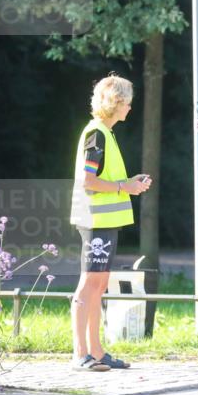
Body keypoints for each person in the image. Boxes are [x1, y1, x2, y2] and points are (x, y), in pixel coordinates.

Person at [68, 75, 152, 371]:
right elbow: (88, 181)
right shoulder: (97, 134)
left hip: (104, 221)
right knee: (89, 283)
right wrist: (123, 187)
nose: (130, 108)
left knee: (99, 284)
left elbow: (102, 178)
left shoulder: (105, 133)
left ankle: (97, 351)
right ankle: (81, 354)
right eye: (127, 103)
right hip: (95, 220)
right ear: (116, 102)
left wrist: (128, 182)